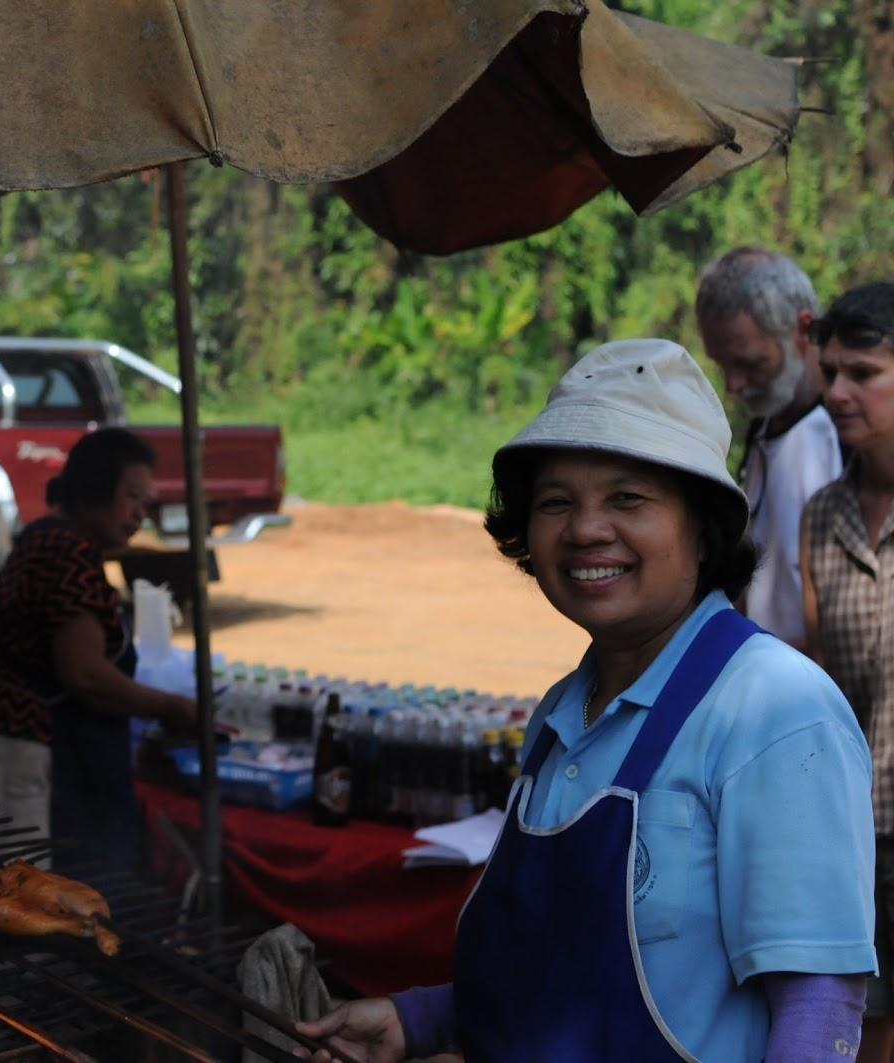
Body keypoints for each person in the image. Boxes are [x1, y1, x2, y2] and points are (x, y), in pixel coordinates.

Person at [299, 340, 875, 1062]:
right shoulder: (557, 716)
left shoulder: (776, 710)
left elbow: (818, 1003)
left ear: (701, 527)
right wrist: (417, 1020)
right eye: (556, 501)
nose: (585, 529)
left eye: (627, 497)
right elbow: (560, 972)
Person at [0, 427, 195, 869]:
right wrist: (170, 707)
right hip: (21, 759)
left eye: (146, 503)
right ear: (94, 490)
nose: (140, 514)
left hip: (21, 753)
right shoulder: (63, 553)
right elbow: (83, 674)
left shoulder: (56, 541)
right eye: (131, 498)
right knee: (25, 912)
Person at [800, 282, 894, 1062]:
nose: (835, 393)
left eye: (862, 372)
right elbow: (821, 674)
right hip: (856, 829)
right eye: (830, 372)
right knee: (864, 1022)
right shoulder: (822, 515)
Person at [696, 248, 842, 649]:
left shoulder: (844, 435)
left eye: (750, 364)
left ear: (804, 330)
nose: (734, 386)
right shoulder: (762, 430)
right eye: (722, 366)